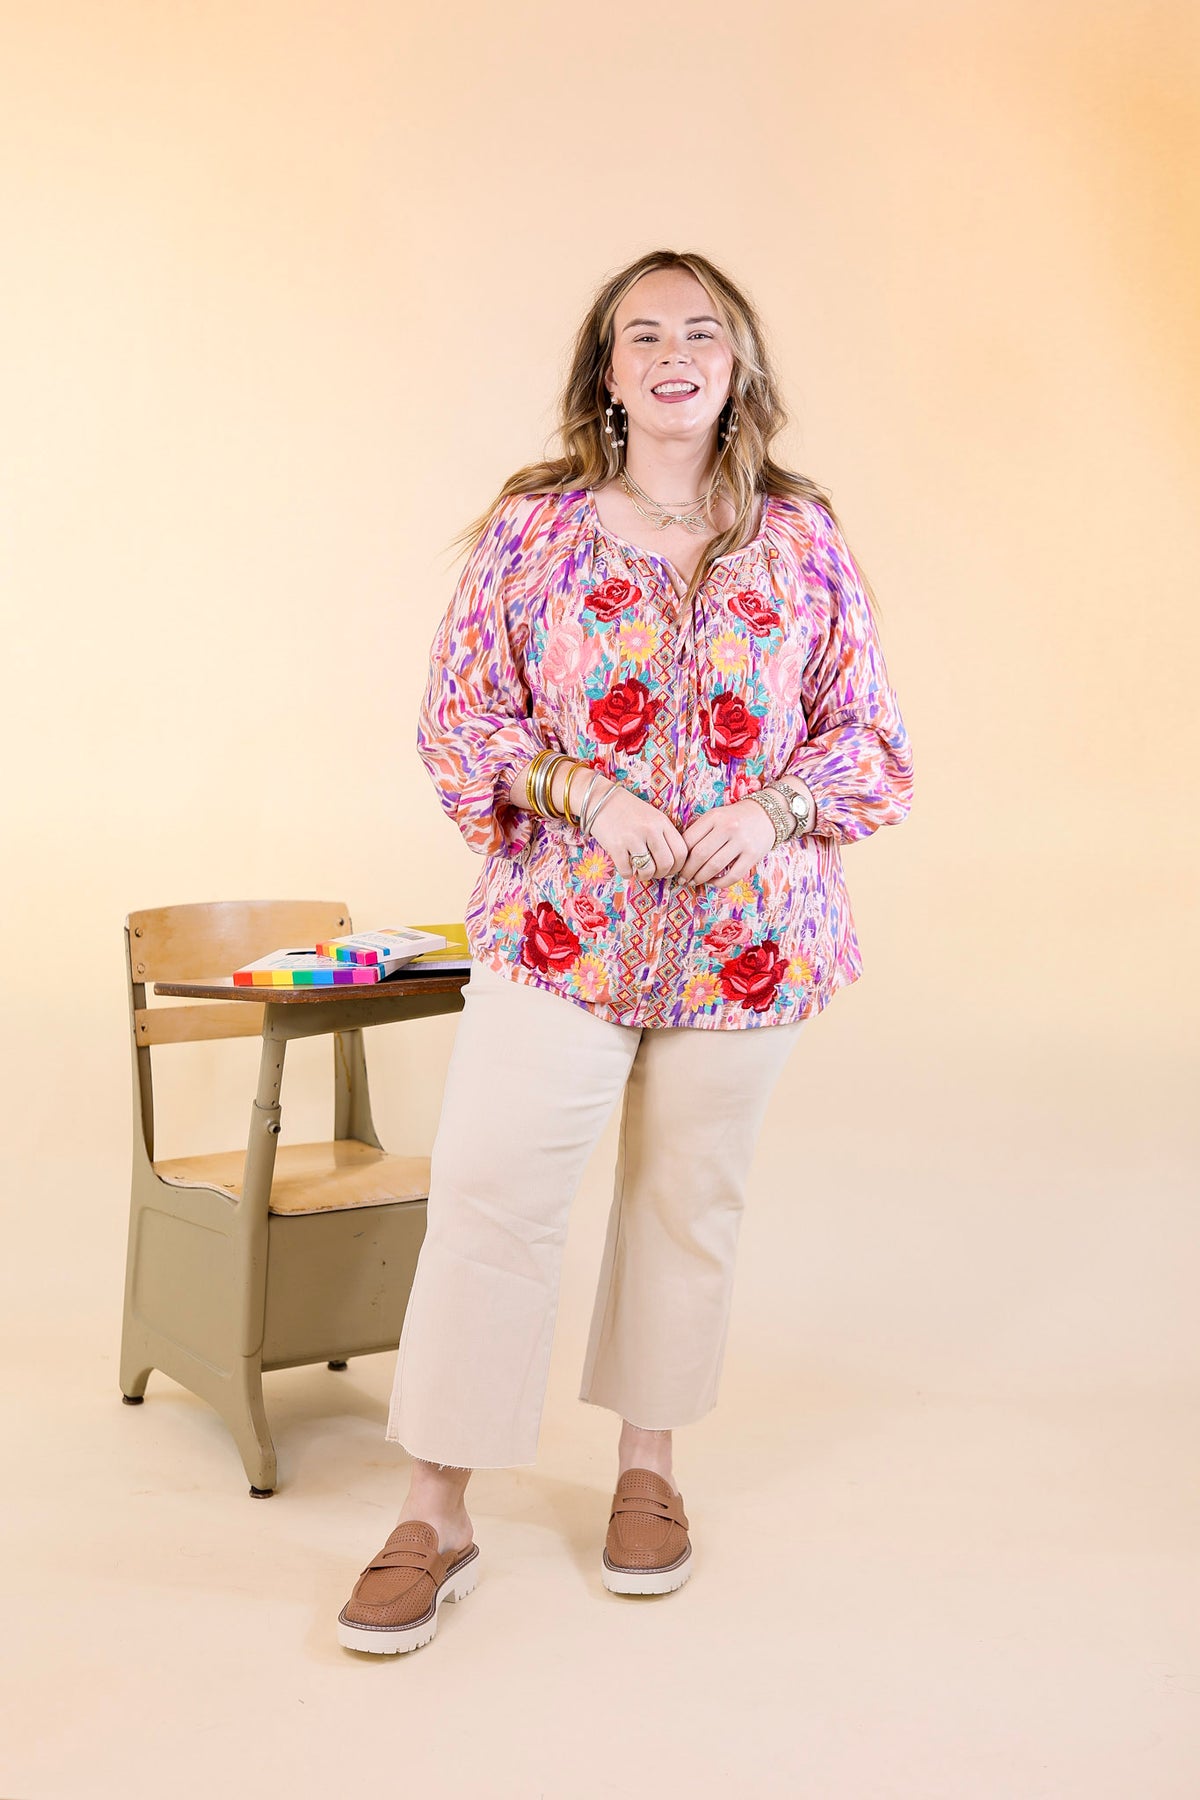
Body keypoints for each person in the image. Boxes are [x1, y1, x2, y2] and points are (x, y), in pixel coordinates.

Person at [337, 248, 914, 1655]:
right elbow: (460, 717)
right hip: (560, 925)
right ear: (607, 371)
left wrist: (773, 812)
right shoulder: (533, 531)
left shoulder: (804, 537)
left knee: (684, 1204)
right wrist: (584, 793)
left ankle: (648, 1469)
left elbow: (870, 741)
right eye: (642, 334)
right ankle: (434, 1510)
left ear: (738, 364)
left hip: (748, 945)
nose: (673, 354)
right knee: (492, 1197)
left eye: (700, 332)